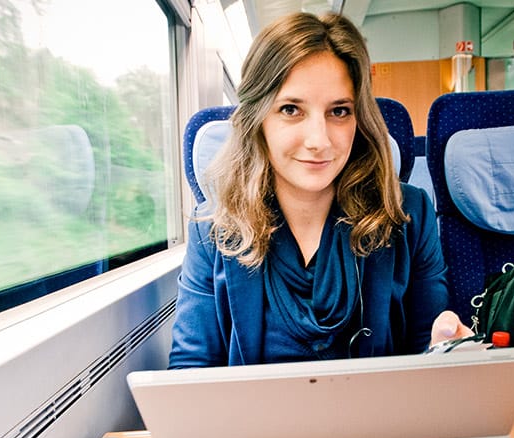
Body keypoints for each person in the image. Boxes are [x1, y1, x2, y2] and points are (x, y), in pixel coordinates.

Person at [169, 11, 471, 368]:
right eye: (291, 109)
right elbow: (191, 369)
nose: (319, 140)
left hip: (377, 423)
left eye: (339, 111)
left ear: (359, 118)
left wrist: (444, 353)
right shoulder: (213, 231)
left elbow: (427, 350)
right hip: (256, 425)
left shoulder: (409, 214)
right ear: (258, 119)